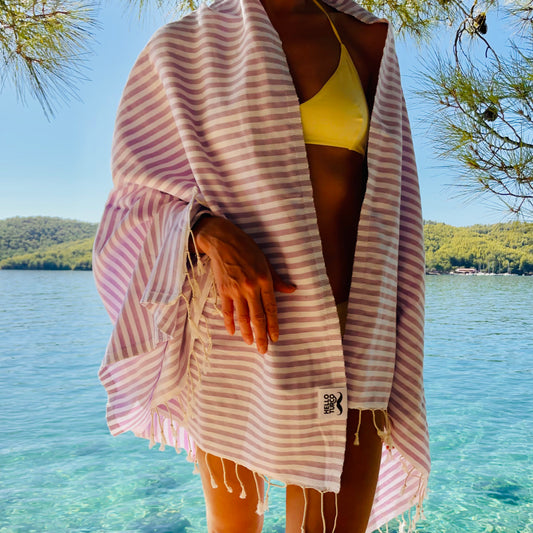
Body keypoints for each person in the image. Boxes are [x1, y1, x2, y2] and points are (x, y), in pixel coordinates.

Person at [93, 0, 430, 531]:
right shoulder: (183, 48)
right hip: (239, 331)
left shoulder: (365, 39)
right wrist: (206, 231)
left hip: (353, 334)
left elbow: (392, 201)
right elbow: (134, 200)